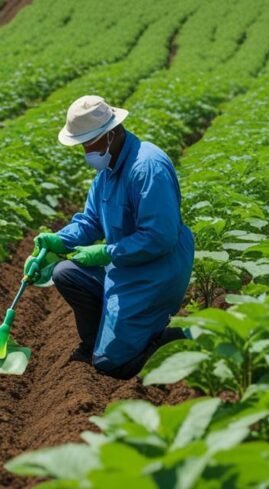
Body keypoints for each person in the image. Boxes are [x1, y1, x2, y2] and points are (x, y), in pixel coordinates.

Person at [25, 95, 194, 380]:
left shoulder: (147, 167)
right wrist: (58, 240)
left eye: (88, 143)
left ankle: (177, 340)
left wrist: (108, 253)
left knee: (114, 365)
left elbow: (159, 237)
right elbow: (90, 221)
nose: (85, 151)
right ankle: (97, 343)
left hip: (156, 272)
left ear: (111, 133)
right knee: (65, 272)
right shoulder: (107, 171)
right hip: (126, 265)